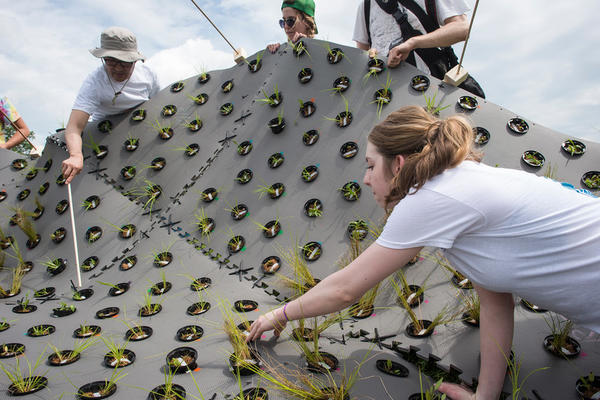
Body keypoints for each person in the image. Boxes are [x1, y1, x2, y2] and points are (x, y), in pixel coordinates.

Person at [247, 106, 600, 399]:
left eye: (370, 165)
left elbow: (345, 289)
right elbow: (495, 302)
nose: (366, 179)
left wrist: (278, 315)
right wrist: (484, 396)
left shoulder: (430, 197)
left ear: (398, 164)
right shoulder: (463, 183)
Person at [62, 27, 159, 184]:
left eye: (125, 63)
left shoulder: (148, 74)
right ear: (104, 58)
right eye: (111, 62)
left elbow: (158, 102)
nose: (118, 68)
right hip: (107, 131)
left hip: (141, 123)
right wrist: (75, 155)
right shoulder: (94, 83)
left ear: (135, 60)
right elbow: (74, 126)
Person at [353, 0, 484, 98]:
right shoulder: (365, 6)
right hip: (385, 99)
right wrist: (372, 55)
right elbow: (361, 57)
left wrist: (413, 43)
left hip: (434, 91)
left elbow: (461, 28)